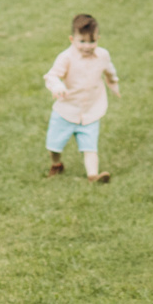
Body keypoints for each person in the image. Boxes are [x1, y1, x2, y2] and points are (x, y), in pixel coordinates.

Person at [43, 13, 121, 184]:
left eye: (92, 42)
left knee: (90, 147)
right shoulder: (66, 57)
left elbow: (110, 71)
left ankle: (93, 175)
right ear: (72, 39)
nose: (87, 46)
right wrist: (58, 87)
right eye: (82, 42)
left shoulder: (103, 55)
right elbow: (52, 76)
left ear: (98, 39)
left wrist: (114, 85)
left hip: (91, 110)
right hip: (66, 110)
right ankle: (56, 164)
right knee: (53, 146)